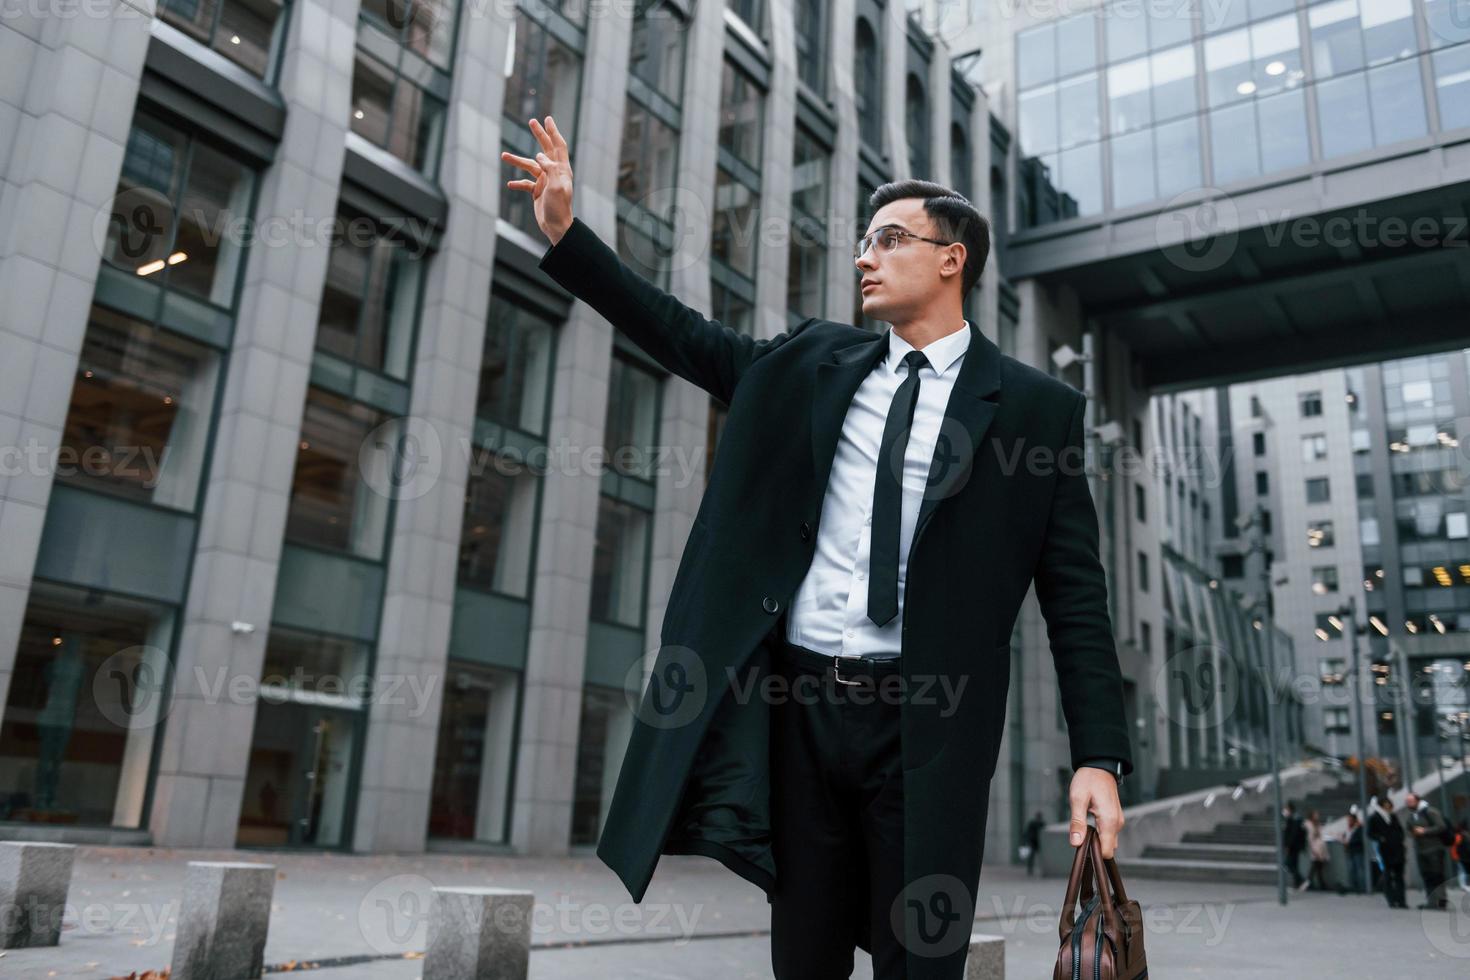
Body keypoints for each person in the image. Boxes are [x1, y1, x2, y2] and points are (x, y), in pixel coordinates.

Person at [504, 117, 1134, 980]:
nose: (864, 258)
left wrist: (1098, 756)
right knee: (804, 961)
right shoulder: (812, 362)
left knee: (921, 961)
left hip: (928, 728)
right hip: (802, 713)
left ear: (953, 259)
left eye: (889, 240)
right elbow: (686, 337)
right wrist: (570, 236)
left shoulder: (1034, 411)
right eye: (863, 243)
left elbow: (1076, 601)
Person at [1404, 792, 1449, 910]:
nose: (1408, 804)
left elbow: (1441, 826)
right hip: (1421, 851)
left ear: (1417, 801)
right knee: (1427, 875)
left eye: (1411, 801)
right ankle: (1431, 901)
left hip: (1434, 849)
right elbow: (1408, 830)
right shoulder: (1412, 816)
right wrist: (1413, 832)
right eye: (1407, 802)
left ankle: (1440, 901)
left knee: (1437, 875)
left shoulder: (1430, 812)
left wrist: (1424, 831)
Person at [1368, 797, 1408, 909]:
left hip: (1397, 849)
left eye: (1389, 804)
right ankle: (1391, 900)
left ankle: (1401, 900)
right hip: (1385, 850)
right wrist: (1381, 838)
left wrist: (1400, 839)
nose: (1388, 806)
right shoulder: (1375, 818)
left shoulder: (1393, 816)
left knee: (1399, 876)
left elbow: (1400, 830)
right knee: (1388, 875)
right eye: (1386, 804)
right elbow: (1370, 833)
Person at [1337, 811, 1366, 895]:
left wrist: (1349, 842)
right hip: (1350, 851)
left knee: (1359, 869)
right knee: (1351, 870)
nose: (1348, 822)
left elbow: (1360, 839)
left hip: (1357, 851)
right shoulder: (1348, 829)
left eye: (1350, 820)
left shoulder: (1359, 828)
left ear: (1354, 820)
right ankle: (1353, 886)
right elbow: (1345, 838)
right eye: (1348, 820)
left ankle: (1362, 887)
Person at [1283, 801, 1306, 889]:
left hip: (1293, 846)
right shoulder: (1293, 818)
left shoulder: (1294, 819)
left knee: (1289, 864)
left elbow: (1293, 834)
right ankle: (1298, 883)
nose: (1285, 811)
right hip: (1295, 845)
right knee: (1294, 864)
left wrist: (1288, 845)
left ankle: (1301, 880)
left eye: (1286, 809)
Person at [1305, 809, 1330, 892]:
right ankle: (1310, 883)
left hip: (1320, 848)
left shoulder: (1317, 825)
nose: (1317, 816)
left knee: (1318, 867)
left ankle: (1319, 884)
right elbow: (1310, 838)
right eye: (1315, 814)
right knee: (1315, 866)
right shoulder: (1309, 825)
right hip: (1315, 848)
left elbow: (1321, 834)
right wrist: (1314, 850)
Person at [1022, 811, 1045, 877]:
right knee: (1032, 856)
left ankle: (1034, 869)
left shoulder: (1041, 823)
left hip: (1037, 842)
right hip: (1034, 841)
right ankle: (1030, 869)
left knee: (1035, 856)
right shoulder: (1034, 823)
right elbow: (1028, 832)